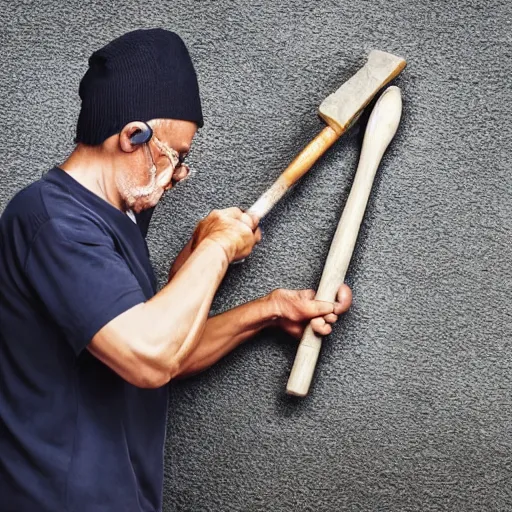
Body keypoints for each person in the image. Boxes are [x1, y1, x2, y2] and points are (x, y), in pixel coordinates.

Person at [0, 29, 352, 511]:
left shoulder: (114, 222)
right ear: (131, 137)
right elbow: (150, 357)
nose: (181, 175)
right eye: (176, 156)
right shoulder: (52, 221)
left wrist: (268, 312)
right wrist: (218, 249)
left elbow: (169, 354)